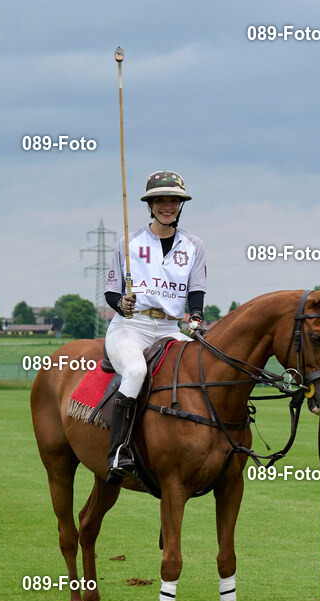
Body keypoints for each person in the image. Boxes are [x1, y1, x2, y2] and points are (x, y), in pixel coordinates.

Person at [103, 171, 207, 481]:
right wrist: (121, 303)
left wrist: (197, 316)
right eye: (161, 200)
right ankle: (118, 451)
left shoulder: (194, 245)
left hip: (170, 329)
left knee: (204, 368)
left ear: (180, 205)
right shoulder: (130, 242)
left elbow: (196, 290)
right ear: (150, 205)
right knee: (135, 371)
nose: (167, 205)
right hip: (130, 327)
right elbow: (110, 291)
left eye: (173, 200)